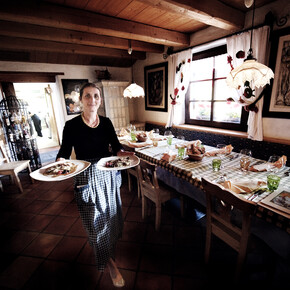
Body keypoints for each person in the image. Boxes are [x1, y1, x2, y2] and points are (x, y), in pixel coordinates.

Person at [56, 83, 132, 287]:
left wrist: (125, 154)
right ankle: (109, 263)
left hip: (108, 175)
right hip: (86, 179)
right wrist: (61, 162)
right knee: (94, 221)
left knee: (111, 217)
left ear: (100, 99)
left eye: (96, 96)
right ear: (81, 99)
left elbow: (116, 148)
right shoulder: (71, 126)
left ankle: (108, 251)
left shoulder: (106, 123)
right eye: (88, 96)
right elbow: (63, 153)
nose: (92, 100)